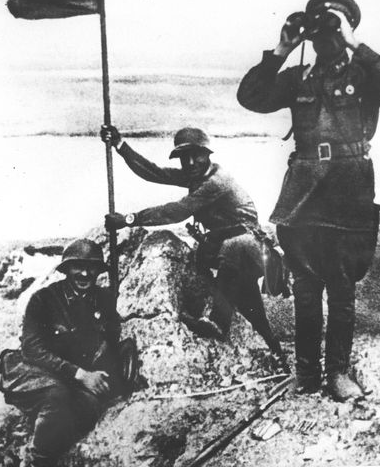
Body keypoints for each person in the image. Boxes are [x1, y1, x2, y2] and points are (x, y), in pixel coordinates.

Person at [237, 0, 380, 401]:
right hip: (304, 190)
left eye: (333, 26)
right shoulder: (299, 77)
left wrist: (354, 43)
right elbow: (251, 97)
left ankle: (338, 374)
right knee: (306, 288)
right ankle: (307, 374)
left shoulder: (363, 72)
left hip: (349, 188)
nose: (325, 36)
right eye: (320, 28)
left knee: (342, 287)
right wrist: (282, 48)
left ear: (345, 29)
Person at [102, 125, 288, 370]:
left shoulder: (217, 181)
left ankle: (218, 322)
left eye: (196, 155)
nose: (190, 163)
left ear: (207, 154)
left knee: (235, 246)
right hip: (233, 259)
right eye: (184, 157)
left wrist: (130, 219)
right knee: (248, 301)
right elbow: (153, 172)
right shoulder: (195, 175)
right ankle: (276, 352)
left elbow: (178, 211)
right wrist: (120, 145)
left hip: (254, 252)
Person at [0, 239, 137, 467]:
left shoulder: (104, 299)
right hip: (32, 368)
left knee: (89, 406)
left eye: (91, 267)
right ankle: (35, 462)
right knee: (56, 395)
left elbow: (108, 341)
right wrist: (79, 374)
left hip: (71, 374)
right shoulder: (43, 299)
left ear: (98, 271)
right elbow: (32, 349)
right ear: (66, 269)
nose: (85, 273)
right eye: (78, 266)